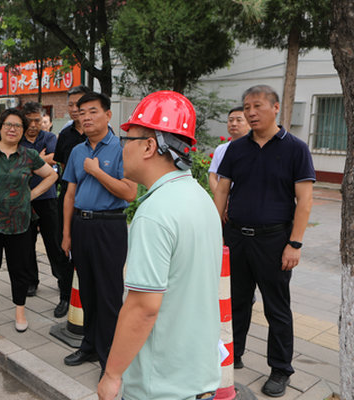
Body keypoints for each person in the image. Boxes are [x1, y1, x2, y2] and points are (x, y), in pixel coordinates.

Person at [98, 91, 222, 400]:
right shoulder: (200, 198)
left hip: (161, 385)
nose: (120, 148)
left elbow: (143, 307)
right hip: (198, 375)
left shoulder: (155, 213)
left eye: (127, 140)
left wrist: (112, 374)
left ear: (150, 146)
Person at [214, 85, 315, 397]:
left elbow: (305, 200)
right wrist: (215, 234)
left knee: (277, 308)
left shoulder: (295, 149)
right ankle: (235, 354)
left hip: (274, 242)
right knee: (236, 303)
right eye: (246, 107)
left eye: (257, 106)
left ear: (275, 108)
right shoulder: (236, 148)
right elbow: (221, 190)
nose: (250, 112)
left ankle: (281, 369)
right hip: (236, 239)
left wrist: (294, 244)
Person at [61, 92, 137, 374]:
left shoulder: (121, 148)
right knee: (88, 291)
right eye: (82, 113)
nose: (87, 118)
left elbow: (130, 192)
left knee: (108, 294)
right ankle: (89, 345)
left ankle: (110, 359)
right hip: (82, 226)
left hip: (109, 226)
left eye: (93, 111)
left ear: (108, 115)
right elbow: (70, 194)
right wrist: (66, 233)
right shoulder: (77, 151)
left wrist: (96, 171)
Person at [0, 108, 57, 333]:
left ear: (23, 131)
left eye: (18, 126)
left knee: (20, 269)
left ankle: (20, 310)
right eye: (8, 124)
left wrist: (31, 195)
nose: (12, 129)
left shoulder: (29, 155)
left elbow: (52, 175)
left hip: (20, 223)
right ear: (0, 127)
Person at [20, 102, 73, 317]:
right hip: (25, 198)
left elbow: (54, 159)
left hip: (48, 197)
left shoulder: (49, 138)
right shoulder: (18, 139)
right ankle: (31, 281)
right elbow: (19, 161)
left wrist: (32, 160)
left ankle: (62, 281)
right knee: (26, 242)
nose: (34, 125)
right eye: (30, 120)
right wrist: (41, 159)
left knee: (54, 242)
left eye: (37, 120)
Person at [54, 85, 91, 239]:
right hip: (68, 194)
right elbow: (63, 165)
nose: (74, 109)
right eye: (71, 105)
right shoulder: (65, 134)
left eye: (79, 104)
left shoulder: (100, 133)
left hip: (91, 196)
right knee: (65, 240)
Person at [208, 107, 250, 194]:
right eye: (230, 120)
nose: (233, 124)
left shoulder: (255, 149)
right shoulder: (221, 149)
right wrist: (221, 200)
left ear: (249, 124)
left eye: (239, 120)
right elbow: (213, 177)